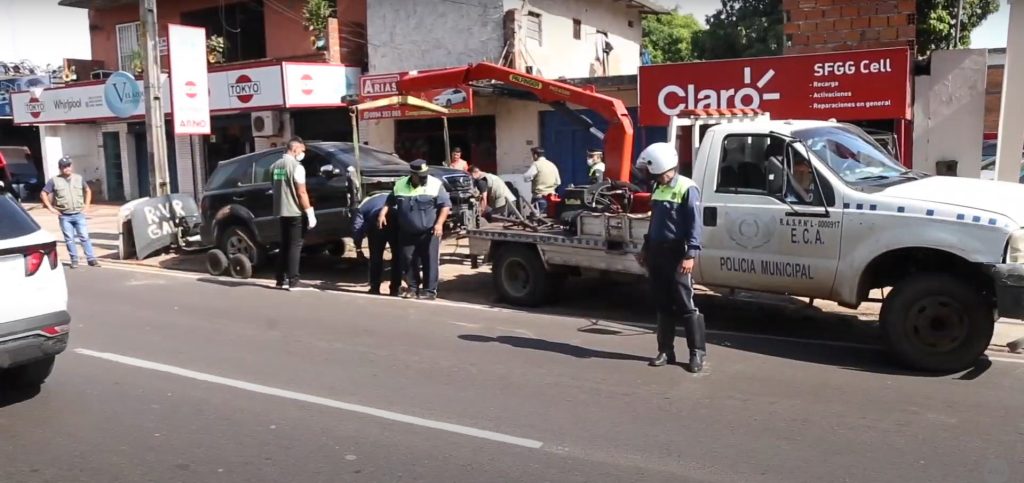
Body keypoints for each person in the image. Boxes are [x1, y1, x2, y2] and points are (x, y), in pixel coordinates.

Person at [635, 142, 706, 374]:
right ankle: (666, 350)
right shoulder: (658, 187)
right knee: (662, 302)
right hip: (657, 252)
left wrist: (691, 254)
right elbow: (654, 222)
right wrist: (645, 248)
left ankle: (697, 353)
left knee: (686, 303)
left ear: (661, 167)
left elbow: (695, 224)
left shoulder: (687, 188)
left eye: (652, 171)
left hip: (677, 253)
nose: (651, 176)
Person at [378, 159, 451, 300]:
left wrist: (439, 223)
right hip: (407, 231)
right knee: (408, 259)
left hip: (429, 232)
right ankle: (412, 288)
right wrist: (382, 213)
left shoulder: (435, 185)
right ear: (413, 175)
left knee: (429, 260)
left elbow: (445, 206)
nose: (424, 178)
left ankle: (429, 291)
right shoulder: (400, 185)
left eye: (425, 175)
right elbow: (389, 201)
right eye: (421, 176)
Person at [270, 137, 316, 291]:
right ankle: (293, 281)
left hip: (281, 211)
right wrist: (310, 212)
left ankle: (280, 279)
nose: (303, 153)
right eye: (302, 150)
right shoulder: (297, 167)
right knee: (295, 245)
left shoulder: (275, 166)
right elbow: (301, 192)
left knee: (285, 244)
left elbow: (276, 187)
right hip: (295, 211)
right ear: (295, 149)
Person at [41, 156, 99, 269]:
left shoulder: (78, 178)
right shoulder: (54, 180)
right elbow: (43, 193)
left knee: (84, 236)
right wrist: (50, 208)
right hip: (64, 216)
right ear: (60, 168)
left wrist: (87, 205)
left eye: (68, 166)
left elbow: (87, 190)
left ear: (71, 166)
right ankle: (74, 260)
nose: (67, 168)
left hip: (79, 214)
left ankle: (91, 259)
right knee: (69, 239)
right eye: (64, 167)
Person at [352, 191, 401, 296]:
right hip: (395, 217)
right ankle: (395, 288)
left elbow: (357, 228)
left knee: (375, 257)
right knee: (397, 257)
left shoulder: (364, 204)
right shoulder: (394, 196)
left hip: (376, 219)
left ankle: (374, 287)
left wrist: (358, 249)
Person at [523, 146, 560, 213]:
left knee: (537, 217)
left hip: (539, 198)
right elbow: (558, 182)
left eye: (532, 155)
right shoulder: (552, 165)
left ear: (535, 155)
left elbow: (526, 178)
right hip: (552, 198)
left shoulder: (536, 165)